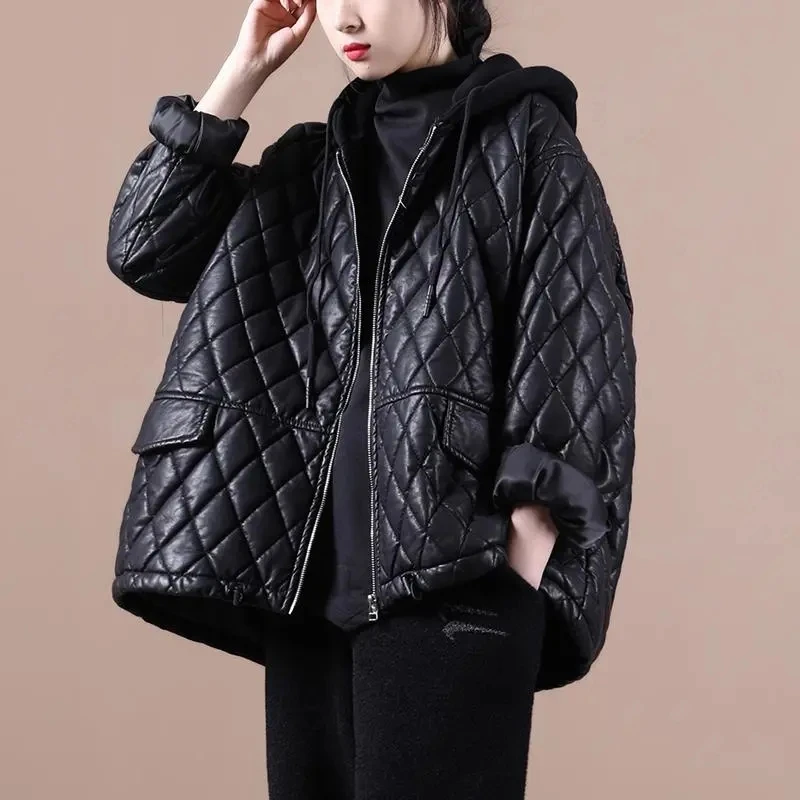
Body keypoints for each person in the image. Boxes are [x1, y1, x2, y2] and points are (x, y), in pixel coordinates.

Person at [106, 1, 637, 797]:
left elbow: (575, 362)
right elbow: (145, 249)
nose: (346, 16)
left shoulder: (530, 148)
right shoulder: (309, 165)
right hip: (309, 588)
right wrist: (243, 71)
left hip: (455, 582)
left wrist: (511, 586)